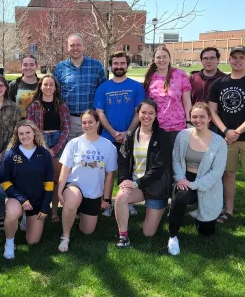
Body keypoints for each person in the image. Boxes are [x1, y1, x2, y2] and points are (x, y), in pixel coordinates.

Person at [167, 102, 227, 255]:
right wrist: (181, 179)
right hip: (185, 177)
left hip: (207, 183)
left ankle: (199, 211)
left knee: (206, 232)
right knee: (180, 199)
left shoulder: (219, 142)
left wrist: (194, 185)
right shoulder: (183, 135)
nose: (198, 120)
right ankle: (173, 236)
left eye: (202, 116)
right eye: (194, 116)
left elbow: (216, 172)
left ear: (209, 119)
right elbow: (176, 160)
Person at [208, 46, 245, 228]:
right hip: (225, 138)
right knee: (228, 174)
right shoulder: (219, 83)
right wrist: (226, 131)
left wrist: (237, 132)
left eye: (241, 57)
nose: (237, 61)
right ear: (229, 60)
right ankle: (228, 211)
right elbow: (212, 112)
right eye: (234, 57)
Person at [114, 99, 173, 247]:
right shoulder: (130, 135)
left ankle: (162, 209)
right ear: (138, 114)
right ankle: (123, 237)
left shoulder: (163, 136)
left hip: (156, 187)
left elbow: (159, 167)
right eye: (143, 112)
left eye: (151, 113)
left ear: (156, 115)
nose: (147, 116)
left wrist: (137, 183)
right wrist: (122, 180)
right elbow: (123, 160)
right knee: (121, 197)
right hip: (136, 185)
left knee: (148, 233)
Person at [94, 51, 145, 217]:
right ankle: (106, 202)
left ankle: (126, 201)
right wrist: (114, 132)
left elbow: (140, 112)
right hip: (108, 137)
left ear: (127, 65)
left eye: (122, 63)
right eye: (115, 63)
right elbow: (100, 113)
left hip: (130, 137)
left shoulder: (137, 87)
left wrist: (128, 133)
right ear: (110, 65)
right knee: (106, 172)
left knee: (127, 170)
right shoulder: (103, 88)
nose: (119, 66)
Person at [57, 110, 117, 253]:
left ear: (97, 123)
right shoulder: (74, 143)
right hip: (74, 185)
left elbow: (110, 175)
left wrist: (106, 198)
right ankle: (65, 237)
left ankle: (77, 213)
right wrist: (59, 191)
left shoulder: (108, 146)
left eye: (90, 122)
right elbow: (65, 170)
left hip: (94, 192)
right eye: (84, 122)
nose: (87, 125)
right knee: (73, 200)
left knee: (87, 231)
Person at [0, 120, 54, 259]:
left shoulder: (44, 154)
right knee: (12, 212)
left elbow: (49, 183)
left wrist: (45, 206)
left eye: (28, 132)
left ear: (35, 133)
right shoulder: (11, 154)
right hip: (16, 198)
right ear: (17, 136)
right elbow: (5, 182)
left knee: (33, 241)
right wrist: (21, 199)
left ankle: (26, 218)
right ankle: (9, 243)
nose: (24, 136)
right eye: (21, 133)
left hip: (36, 200)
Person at [26, 74, 71, 223]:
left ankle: (54, 211)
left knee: (56, 179)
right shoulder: (33, 106)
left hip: (58, 141)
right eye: (45, 85)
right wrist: (44, 147)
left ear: (55, 88)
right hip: (40, 141)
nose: (48, 88)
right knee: (40, 178)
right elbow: (30, 128)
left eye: (51, 85)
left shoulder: (61, 105)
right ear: (40, 86)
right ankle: (39, 208)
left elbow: (66, 129)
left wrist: (56, 147)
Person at [54, 33, 107, 140]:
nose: (75, 48)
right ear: (67, 47)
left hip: (90, 121)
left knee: (90, 153)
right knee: (69, 153)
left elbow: (103, 93)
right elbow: (55, 94)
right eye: (72, 45)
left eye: (78, 45)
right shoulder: (60, 68)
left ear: (83, 46)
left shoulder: (96, 66)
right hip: (68, 120)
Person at [144, 46, 192, 144]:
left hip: (178, 126)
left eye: (164, 57)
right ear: (154, 60)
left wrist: (189, 122)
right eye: (158, 57)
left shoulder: (180, 75)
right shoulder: (150, 77)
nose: (162, 60)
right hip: (156, 127)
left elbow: (187, 101)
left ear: (169, 58)